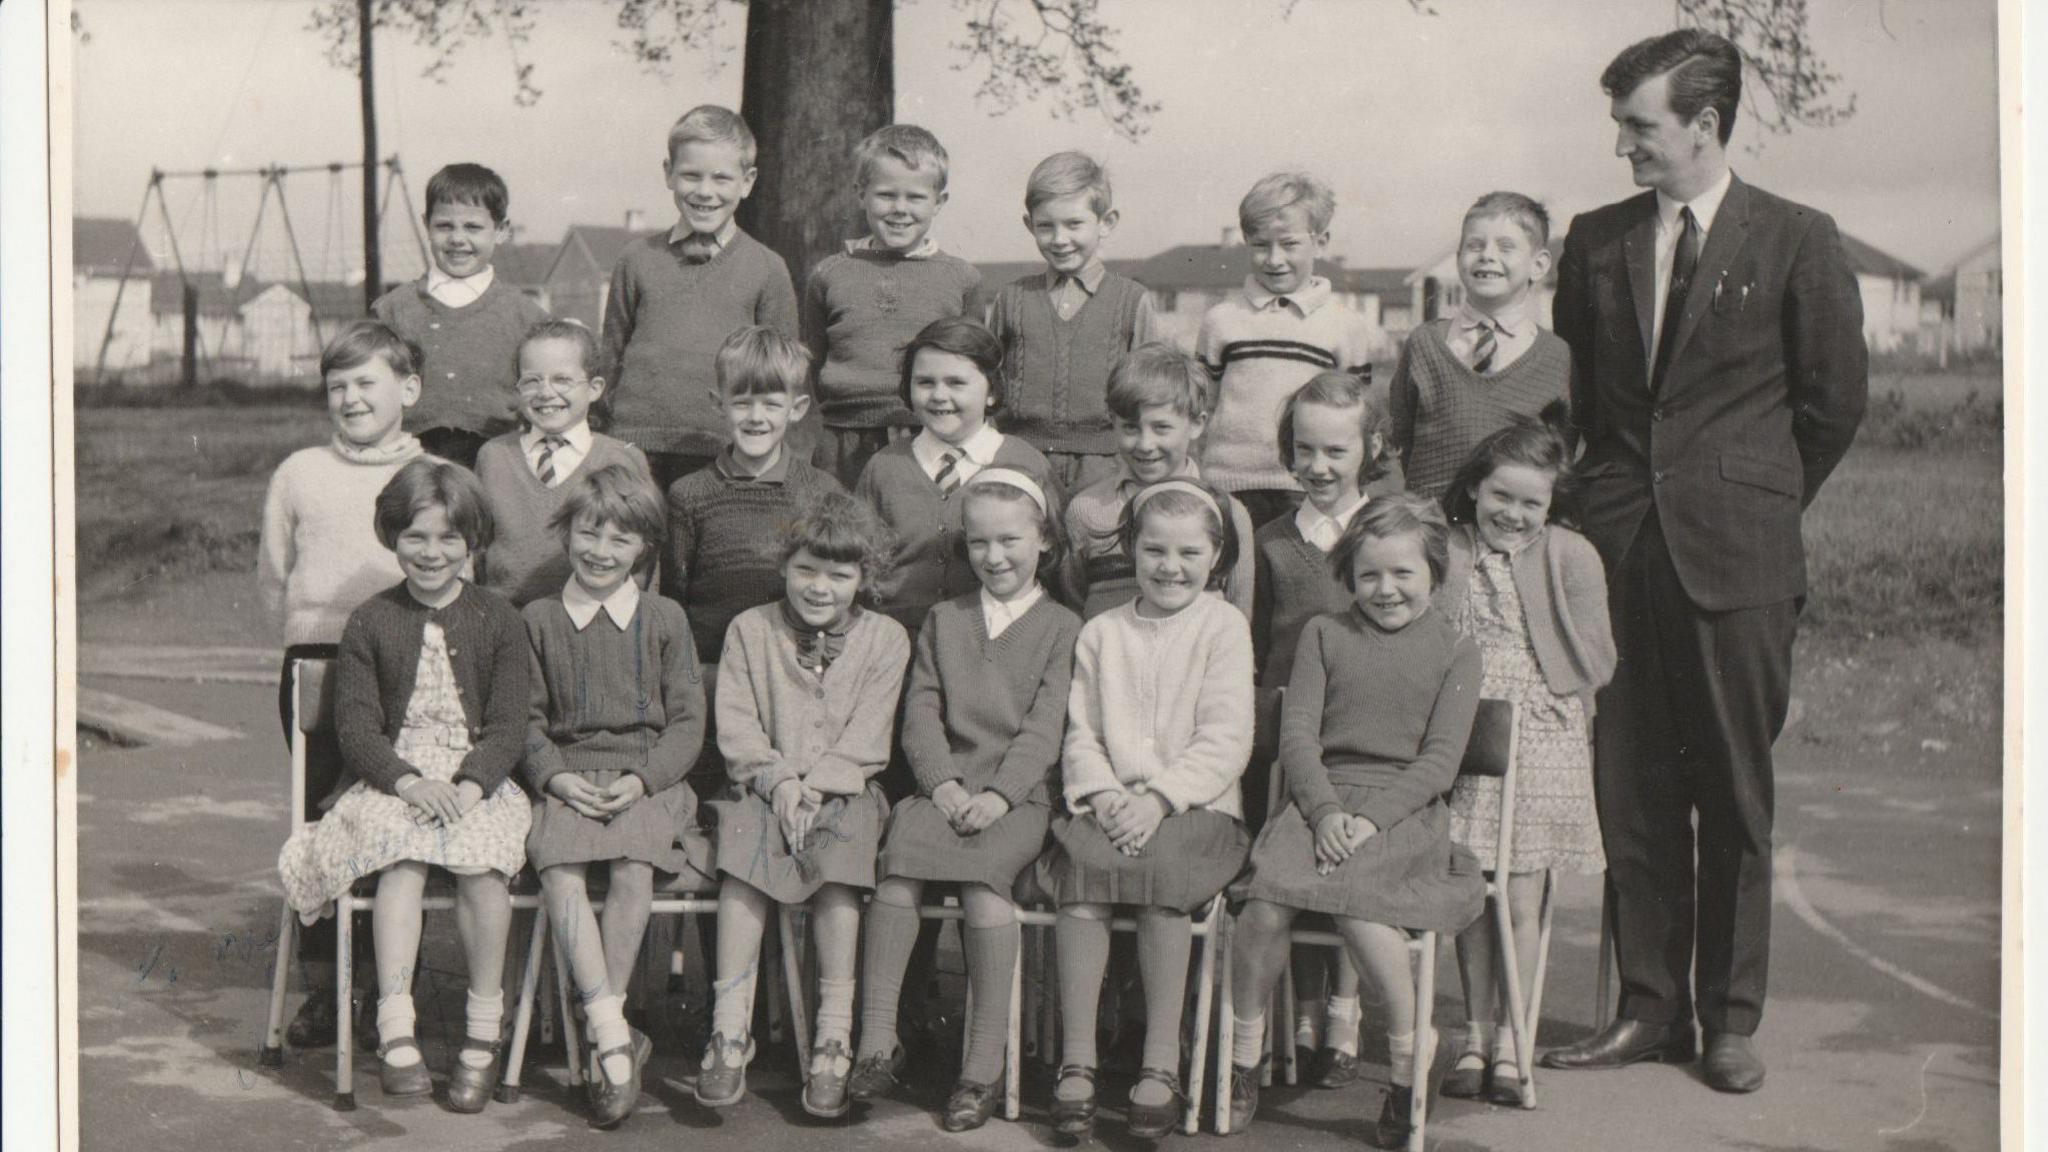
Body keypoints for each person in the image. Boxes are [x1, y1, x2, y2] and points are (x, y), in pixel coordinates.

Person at [1539, 29, 1866, 1093]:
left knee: (1730, 793)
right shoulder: (1592, 241)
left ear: (1702, 125)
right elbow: (1580, 403)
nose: (1620, 145)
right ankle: (1647, 1009)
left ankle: (1727, 1019)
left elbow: (1830, 407)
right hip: (1618, 548)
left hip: (1739, 560)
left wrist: (1748, 503)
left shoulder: (1797, 239)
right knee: (1630, 792)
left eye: (1637, 126)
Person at [1225, 494, 1484, 1151]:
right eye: (1369, 575)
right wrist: (1325, 810)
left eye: (1403, 574)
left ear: (1433, 572)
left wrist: (1367, 819)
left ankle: (1407, 1062)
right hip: (1319, 803)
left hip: (1402, 810)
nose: (1386, 589)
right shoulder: (1323, 633)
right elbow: (1300, 739)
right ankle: (1242, 1059)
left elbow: (1440, 762)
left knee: (1363, 910)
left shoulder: (1457, 649)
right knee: (1263, 907)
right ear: (1348, 576)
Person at [277, 458, 532, 1112]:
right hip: (396, 779)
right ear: (392, 536)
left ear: (472, 542)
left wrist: (471, 787)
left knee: (481, 866)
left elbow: (508, 726)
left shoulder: (499, 619)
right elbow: (358, 728)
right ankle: (396, 1027)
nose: (432, 552)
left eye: (449, 538)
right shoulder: (371, 620)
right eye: (416, 536)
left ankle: (482, 1033)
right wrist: (410, 782)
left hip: (477, 780)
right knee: (400, 864)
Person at [848, 470, 1083, 1132]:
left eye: (1010, 540)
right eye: (978, 543)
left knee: (985, 890)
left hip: (1019, 798)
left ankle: (982, 1065)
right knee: (898, 879)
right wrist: (942, 784)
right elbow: (921, 711)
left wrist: (1002, 795)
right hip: (942, 789)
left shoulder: (1062, 627)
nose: (994, 556)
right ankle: (876, 1039)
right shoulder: (944, 620)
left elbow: (1046, 726)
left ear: (1044, 540)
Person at [1037, 478, 1254, 1142]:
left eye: (1189, 552)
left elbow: (1226, 737)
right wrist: (1104, 795)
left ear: (1217, 556)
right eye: (1154, 549)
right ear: (1130, 549)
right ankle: (1078, 1059)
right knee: (1081, 880)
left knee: (1164, 886)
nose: (1170, 566)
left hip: (1196, 808)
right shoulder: (1103, 631)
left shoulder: (1223, 625)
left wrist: (1160, 799)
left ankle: (1161, 1061)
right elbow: (1082, 732)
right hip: (1108, 804)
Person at [696, 493, 911, 1119]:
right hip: (763, 785)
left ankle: (834, 1038)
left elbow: (870, 734)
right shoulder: (750, 629)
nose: (820, 587)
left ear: (863, 579)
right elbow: (737, 724)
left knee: (839, 875)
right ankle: (728, 1029)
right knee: (742, 860)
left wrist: (818, 785)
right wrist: (781, 783)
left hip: (844, 789)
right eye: (806, 570)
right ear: (783, 567)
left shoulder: (885, 638)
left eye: (840, 575)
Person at [521, 463, 714, 1128]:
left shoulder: (665, 618)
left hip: (646, 777)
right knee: (561, 866)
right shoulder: (539, 617)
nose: (600, 550)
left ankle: (605, 1018)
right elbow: (525, 720)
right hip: (570, 772)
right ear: (565, 532)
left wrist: (644, 779)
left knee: (635, 863)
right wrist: (554, 776)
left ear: (645, 549)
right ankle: (611, 1033)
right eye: (588, 532)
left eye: (620, 539)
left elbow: (689, 720)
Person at [257, 319, 429, 1051]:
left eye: (367, 383)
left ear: (409, 390)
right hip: (317, 664)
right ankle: (328, 990)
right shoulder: (299, 472)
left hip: (411, 663)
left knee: (402, 814)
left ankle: (394, 989)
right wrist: (305, 639)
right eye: (338, 387)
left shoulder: (435, 474)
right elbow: (274, 574)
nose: (351, 399)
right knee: (322, 821)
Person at [1434, 413, 1615, 1107]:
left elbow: (1598, 658)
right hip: (1466, 723)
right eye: (1500, 497)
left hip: (1541, 731)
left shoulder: (1571, 554)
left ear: (1552, 505)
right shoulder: (1448, 549)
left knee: (1519, 893)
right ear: (1475, 488)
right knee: (1471, 889)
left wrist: (1546, 684)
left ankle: (1515, 1037)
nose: (1514, 514)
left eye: (1531, 502)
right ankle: (1475, 1034)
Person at [1246, 371, 1403, 1084]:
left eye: (1335, 451)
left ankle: (1344, 1010)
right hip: (1288, 737)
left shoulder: (1388, 534)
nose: (1317, 466)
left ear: (1370, 448)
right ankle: (1304, 1009)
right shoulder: (1272, 540)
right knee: (1290, 868)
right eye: (1304, 449)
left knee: (1345, 866)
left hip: (1364, 740)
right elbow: (1253, 640)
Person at [601, 105, 800, 495]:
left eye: (722, 178)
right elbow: (610, 354)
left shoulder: (767, 268)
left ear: (747, 181)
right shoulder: (637, 259)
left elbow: (781, 373)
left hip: (723, 449)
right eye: (691, 175)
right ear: (668, 174)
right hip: (633, 448)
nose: (705, 192)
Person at [853, 316, 1059, 637]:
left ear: (992, 391)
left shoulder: (1026, 464)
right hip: (898, 642)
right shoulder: (884, 468)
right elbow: (858, 565)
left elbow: (1057, 567)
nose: (938, 395)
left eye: (956, 383)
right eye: (925, 382)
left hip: (996, 640)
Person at [802, 124, 981, 486]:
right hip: (843, 440)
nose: (900, 209)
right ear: (861, 194)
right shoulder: (829, 275)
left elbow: (974, 369)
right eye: (886, 195)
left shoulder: (961, 278)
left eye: (915, 197)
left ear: (939, 202)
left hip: (929, 437)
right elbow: (814, 359)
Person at [1196, 171, 1376, 528]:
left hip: (1310, 489)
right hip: (1227, 487)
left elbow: (1356, 423)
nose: (1274, 259)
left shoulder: (1345, 326)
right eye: (1261, 245)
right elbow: (1201, 406)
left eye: (1289, 244)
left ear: (1320, 242)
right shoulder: (1222, 321)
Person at [665, 326, 844, 661]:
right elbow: (676, 600)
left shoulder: (822, 492)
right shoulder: (689, 495)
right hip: (712, 670)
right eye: (742, 403)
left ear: (797, 408)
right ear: (718, 404)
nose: (756, 418)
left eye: (771, 405)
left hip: (796, 673)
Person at [986, 151, 1156, 494]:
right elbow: (987, 381)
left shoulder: (1132, 300)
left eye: (1074, 224)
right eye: (1046, 226)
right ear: (1029, 224)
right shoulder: (1011, 298)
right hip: (1020, 459)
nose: (1060, 239)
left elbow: (1151, 392)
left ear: (1106, 222)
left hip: (1105, 465)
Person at [1388, 191, 1573, 501]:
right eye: (1474, 245)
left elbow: (1557, 451)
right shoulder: (1425, 344)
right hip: (1429, 528)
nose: (1487, 255)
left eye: (1505, 247)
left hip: (1510, 529)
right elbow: (1401, 437)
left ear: (1538, 265)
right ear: (1459, 257)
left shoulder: (1555, 355)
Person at [373, 163, 550, 469]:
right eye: (444, 226)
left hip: (501, 464)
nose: (457, 239)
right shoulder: (392, 310)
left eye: (472, 227)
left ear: (502, 231)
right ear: (426, 224)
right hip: (408, 465)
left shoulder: (529, 318)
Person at [1062, 344, 1255, 620]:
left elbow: (1239, 616)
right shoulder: (1086, 511)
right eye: (1130, 427)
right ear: (1112, 422)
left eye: (1161, 427)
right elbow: (1074, 607)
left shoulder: (1229, 513)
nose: (1145, 444)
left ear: (1197, 424)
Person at [474, 319, 651, 607]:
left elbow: (643, 558)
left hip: (592, 618)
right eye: (532, 380)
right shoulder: (494, 456)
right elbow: (476, 548)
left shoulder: (623, 458)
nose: (545, 393)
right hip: (506, 620)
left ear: (594, 388)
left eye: (562, 380)